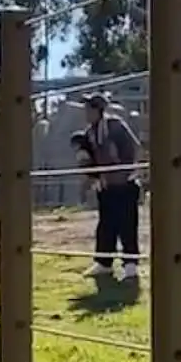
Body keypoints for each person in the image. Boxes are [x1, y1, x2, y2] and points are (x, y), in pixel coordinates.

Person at [76, 93, 141, 280]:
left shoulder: (114, 126)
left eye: (89, 109)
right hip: (106, 186)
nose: (86, 113)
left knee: (127, 224)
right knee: (106, 225)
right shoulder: (90, 132)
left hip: (124, 184)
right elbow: (91, 160)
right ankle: (104, 263)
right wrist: (92, 175)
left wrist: (125, 173)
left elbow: (132, 149)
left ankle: (130, 264)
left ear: (98, 110)